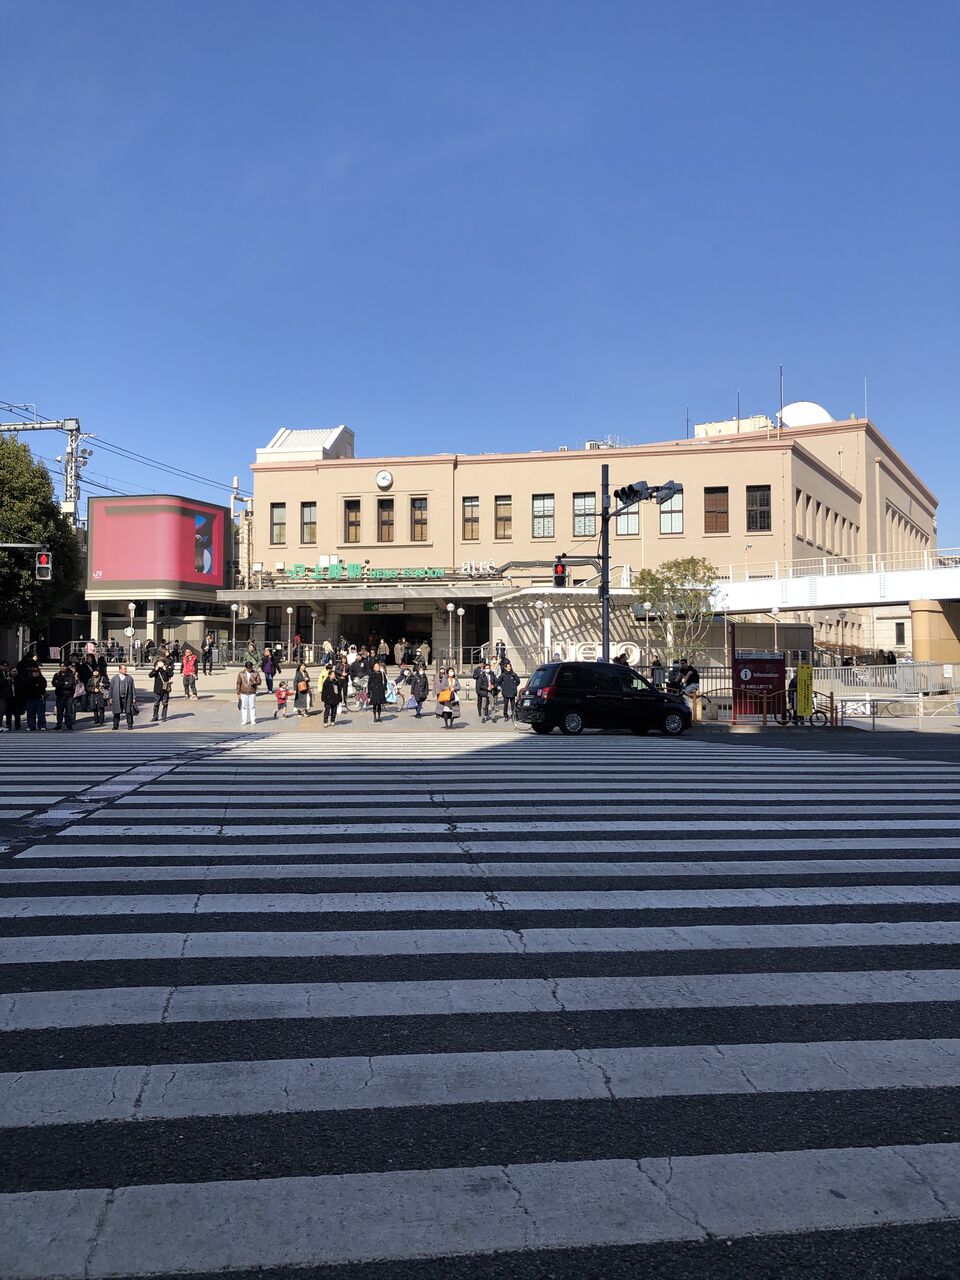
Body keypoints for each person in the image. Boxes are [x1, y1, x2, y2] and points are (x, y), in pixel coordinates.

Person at [109, 664, 138, 730]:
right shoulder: (114, 678)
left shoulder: (129, 678)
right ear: (120, 670)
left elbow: (133, 688)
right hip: (117, 697)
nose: (125, 670)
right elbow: (111, 689)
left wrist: (134, 697)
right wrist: (110, 697)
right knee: (116, 712)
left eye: (126, 669)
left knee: (128, 712)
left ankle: (130, 725)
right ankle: (115, 725)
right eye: (124, 669)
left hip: (127, 697)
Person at [23, 662, 48, 732]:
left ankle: (42, 726)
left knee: (41, 713)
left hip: (39, 698)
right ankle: (31, 726)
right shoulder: (28, 680)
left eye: (36, 672)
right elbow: (26, 688)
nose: (35, 673)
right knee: (30, 713)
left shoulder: (42, 679)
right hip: (30, 698)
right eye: (34, 672)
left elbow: (42, 688)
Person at [52, 662, 76, 731]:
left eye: (64, 666)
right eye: (61, 666)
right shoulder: (57, 675)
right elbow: (54, 683)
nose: (62, 667)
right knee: (59, 711)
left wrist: (59, 684)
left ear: (67, 667)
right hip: (60, 695)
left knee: (69, 711)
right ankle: (59, 725)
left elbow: (70, 685)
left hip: (69, 696)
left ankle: (69, 725)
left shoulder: (70, 675)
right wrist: (63, 683)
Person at [236, 660, 262, 726]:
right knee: (244, 706)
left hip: (252, 691)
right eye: (248, 668)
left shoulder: (255, 673)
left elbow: (259, 682)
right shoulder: (241, 673)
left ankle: (253, 720)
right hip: (243, 692)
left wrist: (255, 682)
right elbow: (238, 683)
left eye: (250, 668)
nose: (250, 669)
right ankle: (244, 720)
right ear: (246, 668)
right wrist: (238, 692)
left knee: (252, 706)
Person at [150, 656, 172, 723]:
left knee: (165, 703)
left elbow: (171, 674)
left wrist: (166, 669)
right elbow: (150, 675)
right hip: (157, 689)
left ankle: (163, 716)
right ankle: (155, 716)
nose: (160, 663)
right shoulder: (156, 669)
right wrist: (155, 670)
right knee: (156, 703)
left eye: (161, 662)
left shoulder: (167, 668)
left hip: (165, 689)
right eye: (159, 662)